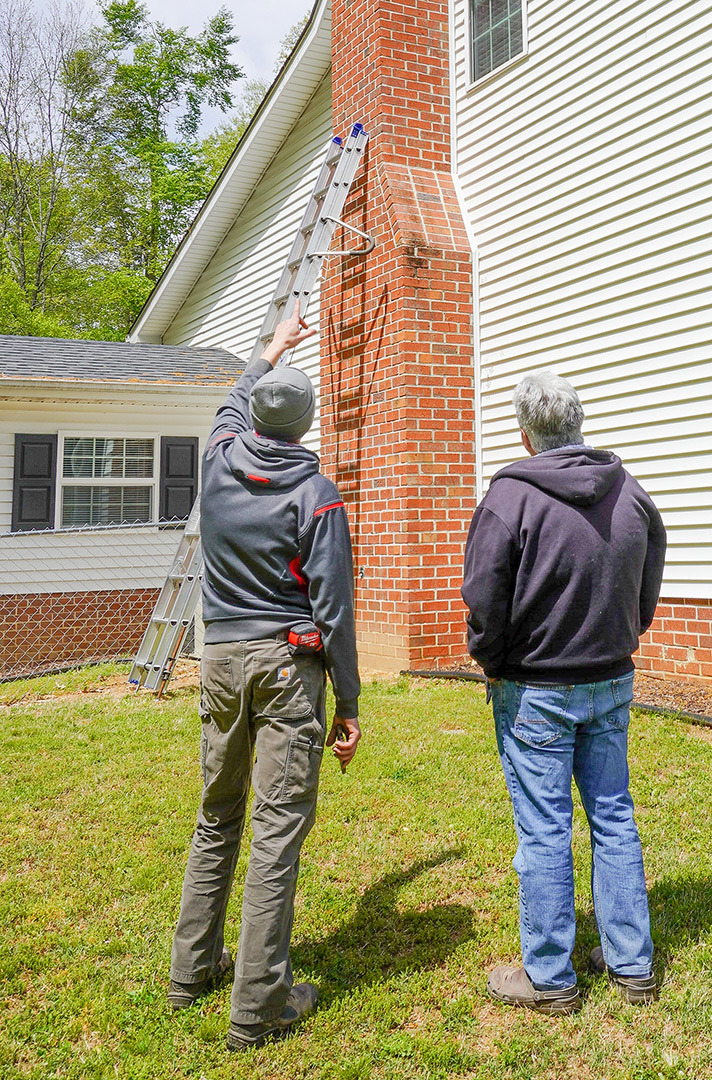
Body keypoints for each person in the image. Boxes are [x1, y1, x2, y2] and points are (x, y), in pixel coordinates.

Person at [168, 303, 362, 1051]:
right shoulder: (316, 495)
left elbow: (231, 398)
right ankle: (259, 1007)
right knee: (278, 832)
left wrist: (273, 344)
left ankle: (192, 973)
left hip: (219, 662)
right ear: (306, 426)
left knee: (217, 816)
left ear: (253, 415)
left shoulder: (217, 458)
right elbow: (336, 610)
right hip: (287, 668)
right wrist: (348, 701)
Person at [461, 370, 667, 1014]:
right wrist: (626, 632)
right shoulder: (629, 493)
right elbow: (648, 576)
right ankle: (631, 963)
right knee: (613, 815)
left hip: (536, 688)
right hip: (610, 677)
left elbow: (483, 598)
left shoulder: (509, 499)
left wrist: (489, 660)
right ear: (576, 424)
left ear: (526, 434)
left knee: (545, 830)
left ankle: (549, 977)